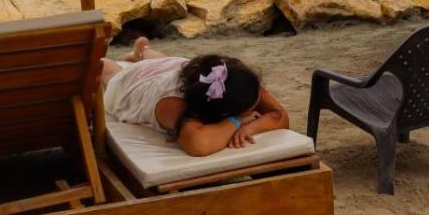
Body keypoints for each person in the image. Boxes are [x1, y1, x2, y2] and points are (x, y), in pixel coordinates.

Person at [99, 38, 290, 156]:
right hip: (132, 87)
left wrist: (251, 127)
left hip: (170, 68)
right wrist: (237, 121)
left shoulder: (231, 81)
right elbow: (198, 145)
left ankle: (143, 52)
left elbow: (280, 116)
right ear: (223, 111)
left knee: (162, 60)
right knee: (112, 72)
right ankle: (132, 57)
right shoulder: (174, 104)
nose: (256, 110)